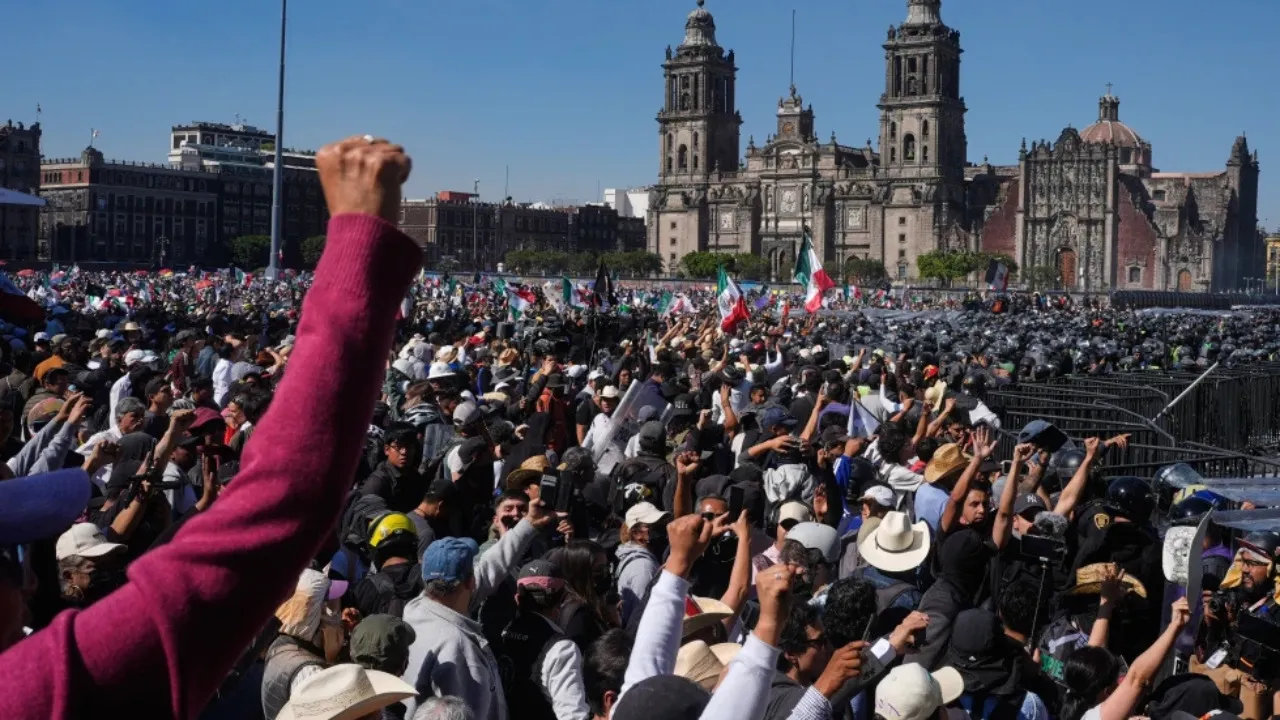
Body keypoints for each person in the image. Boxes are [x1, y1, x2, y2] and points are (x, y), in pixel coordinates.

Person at [0, 134, 422, 717]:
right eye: (7, 560)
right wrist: (359, 243)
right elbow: (279, 508)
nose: (30, 582)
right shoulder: (29, 696)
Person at [400, 498, 558, 720]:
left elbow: (490, 566)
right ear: (470, 582)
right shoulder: (457, 647)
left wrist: (529, 523)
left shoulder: (417, 610)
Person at [495, 557, 590, 720]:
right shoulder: (562, 649)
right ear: (562, 599)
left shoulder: (502, 634)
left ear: (518, 599)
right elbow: (572, 715)